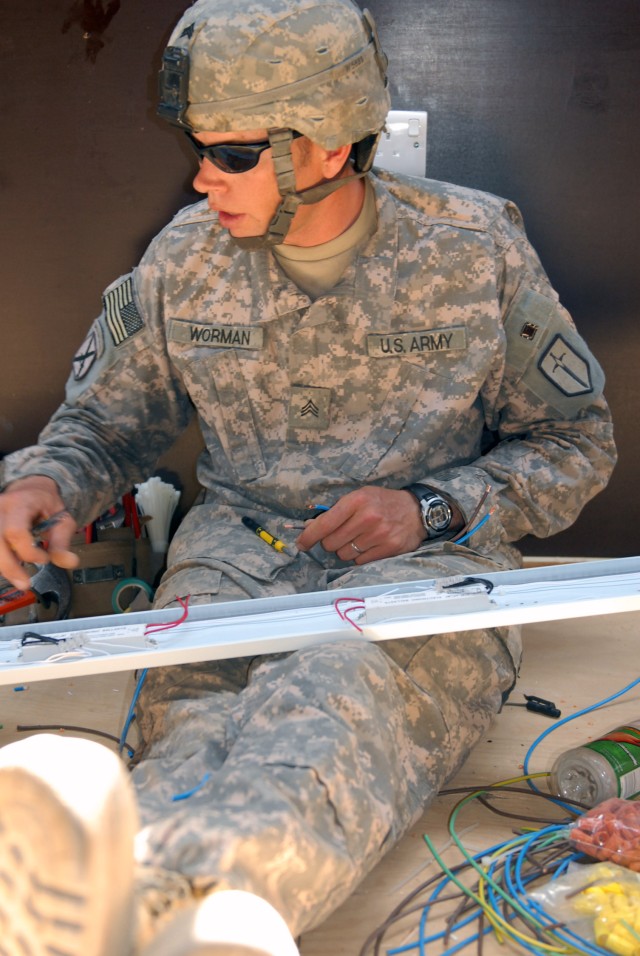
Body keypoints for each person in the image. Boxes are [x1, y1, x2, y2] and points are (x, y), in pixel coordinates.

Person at [0, 0, 616, 953]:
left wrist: (431, 507)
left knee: (336, 701)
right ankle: (127, 889)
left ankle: (205, 906)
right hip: (234, 565)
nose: (204, 178)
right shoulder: (185, 261)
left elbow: (576, 445)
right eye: (200, 149)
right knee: (194, 724)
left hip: (423, 573)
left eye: (235, 154)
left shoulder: (473, 248)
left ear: (329, 146)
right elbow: (100, 428)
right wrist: (46, 483)